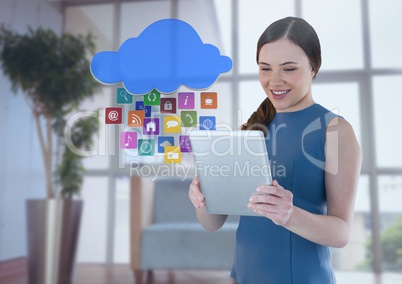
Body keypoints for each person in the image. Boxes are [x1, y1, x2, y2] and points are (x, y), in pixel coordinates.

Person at [188, 16, 362, 284]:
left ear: (314, 67)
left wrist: (290, 215)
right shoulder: (249, 130)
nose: (274, 80)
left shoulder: (335, 130)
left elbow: (341, 233)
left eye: (289, 69)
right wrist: (202, 196)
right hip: (243, 276)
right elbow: (212, 223)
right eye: (265, 68)